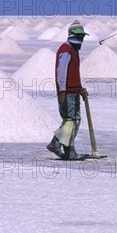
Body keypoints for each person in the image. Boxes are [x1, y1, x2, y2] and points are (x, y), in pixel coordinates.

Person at [46, 20, 89, 160]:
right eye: (78, 36)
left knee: (70, 121)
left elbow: (74, 74)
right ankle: (56, 144)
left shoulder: (73, 50)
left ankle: (69, 151)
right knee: (72, 120)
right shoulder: (66, 50)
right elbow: (61, 72)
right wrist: (63, 91)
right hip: (68, 92)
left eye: (82, 36)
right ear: (71, 35)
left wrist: (80, 89)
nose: (81, 39)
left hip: (73, 91)